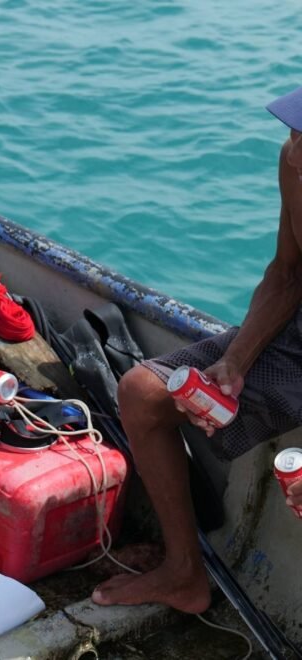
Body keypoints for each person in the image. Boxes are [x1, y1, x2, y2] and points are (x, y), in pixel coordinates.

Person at [91, 86, 302, 614]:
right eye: (296, 130)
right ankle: (184, 573)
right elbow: (286, 274)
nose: (295, 145)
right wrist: (234, 363)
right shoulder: (295, 160)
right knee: (142, 392)